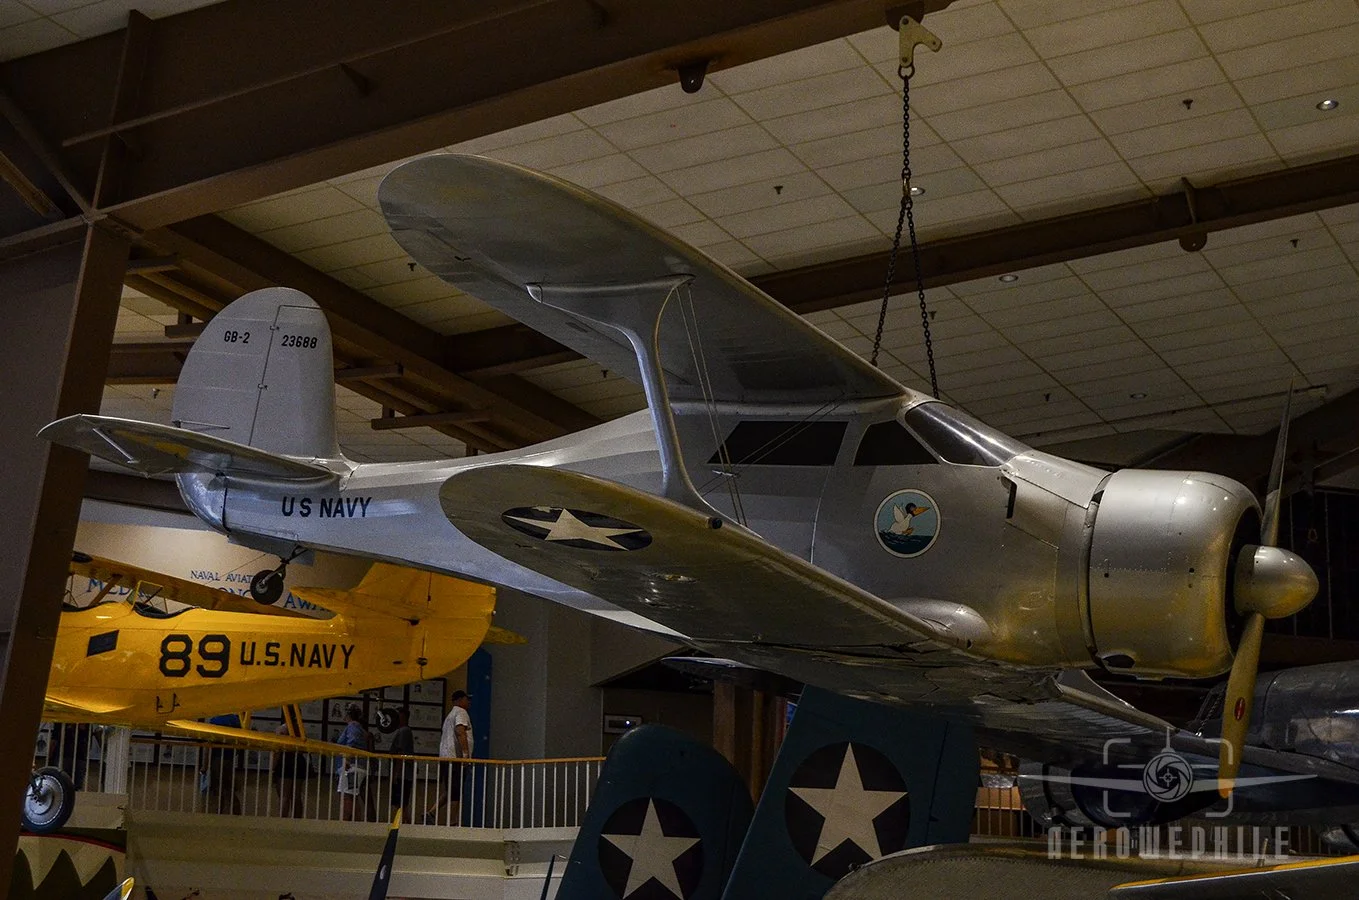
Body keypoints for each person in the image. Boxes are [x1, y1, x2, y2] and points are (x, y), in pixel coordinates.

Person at [425, 690, 472, 825]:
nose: (468, 702)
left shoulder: (450, 715)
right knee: (456, 790)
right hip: (455, 758)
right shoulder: (461, 713)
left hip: (446, 757)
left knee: (451, 789)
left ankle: (431, 812)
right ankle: (453, 821)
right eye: (466, 699)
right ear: (460, 700)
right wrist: (465, 754)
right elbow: (460, 731)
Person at [335, 704, 373, 822]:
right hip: (357, 766)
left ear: (348, 715)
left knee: (348, 796)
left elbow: (352, 743)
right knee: (353, 795)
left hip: (351, 766)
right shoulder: (360, 728)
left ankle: (347, 822)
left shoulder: (352, 726)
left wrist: (347, 759)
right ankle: (354, 822)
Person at [202, 713, 242, 815]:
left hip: (217, 758)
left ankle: (218, 813)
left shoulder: (215, 720)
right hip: (230, 759)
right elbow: (239, 742)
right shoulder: (235, 720)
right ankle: (236, 814)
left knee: (217, 789)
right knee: (229, 789)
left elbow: (209, 744)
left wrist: (204, 766)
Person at [271, 723, 311, 818]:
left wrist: (272, 767)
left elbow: (277, 749)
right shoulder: (301, 730)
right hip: (299, 760)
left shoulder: (281, 729)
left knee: (284, 796)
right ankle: (297, 823)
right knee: (296, 796)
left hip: (286, 760)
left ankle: (283, 822)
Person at [388, 708, 415, 822]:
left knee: (401, 803)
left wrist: (395, 774)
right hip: (403, 773)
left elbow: (400, 752)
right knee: (400, 803)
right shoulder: (403, 731)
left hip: (402, 774)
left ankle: (403, 824)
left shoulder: (404, 731)